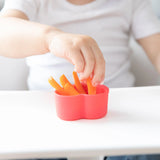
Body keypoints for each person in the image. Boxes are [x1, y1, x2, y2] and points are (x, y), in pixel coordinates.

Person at [0, 0, 160, 160]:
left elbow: (157, 50)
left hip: (120, 117)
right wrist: (51, 38)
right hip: (48, 119)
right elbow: (4, 30)